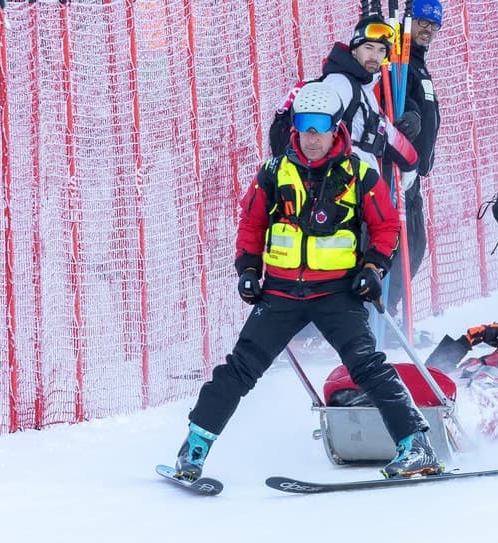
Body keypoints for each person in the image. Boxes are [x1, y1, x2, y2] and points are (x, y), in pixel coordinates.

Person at [172, 82, 443, 481]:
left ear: (336, 128)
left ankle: (415, 445)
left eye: (319, 126)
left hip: (337, 293)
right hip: (281, 293)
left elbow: (385, 227)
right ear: (295, 127)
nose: (311, 136)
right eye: (303, 125)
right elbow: (252, 224)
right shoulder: (273, 172)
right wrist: (248, 270)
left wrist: (373, 268)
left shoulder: (358, 173)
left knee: (367, 366)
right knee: (239, 370)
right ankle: (194, 447)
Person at [385, 0, 444, 322]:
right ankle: (382, 314)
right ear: (408, 20)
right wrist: (408, 114)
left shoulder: (418, 64)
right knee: (401, 245)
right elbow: (392, 94)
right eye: (423, 22)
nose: (428, 30)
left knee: (414, 246)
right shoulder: (397, 58)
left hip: (413, 171)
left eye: (434, 26)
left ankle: (389, 313)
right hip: (395, 168)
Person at [320, 14, 418, 175]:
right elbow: (317, 128)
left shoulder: (365, 91)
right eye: (368, 48)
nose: (375, 56)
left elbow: (389, 134)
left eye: (381, 50)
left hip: (363, 185)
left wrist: (412, 165)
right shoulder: (340, 83)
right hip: (342, 186)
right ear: (354, 50)